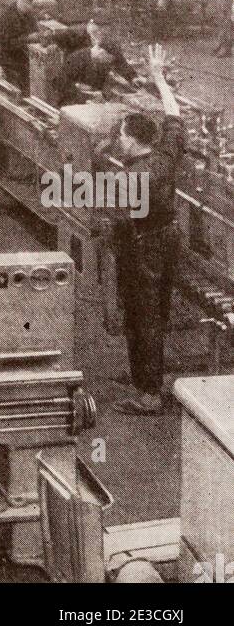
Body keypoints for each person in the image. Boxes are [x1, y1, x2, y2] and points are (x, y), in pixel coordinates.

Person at [95, 45, 186, 416]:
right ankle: (142, 377)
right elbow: (174, 117)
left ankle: (148, 393)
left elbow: (108, 213)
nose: (118, 137)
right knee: (152, 314)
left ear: (132, 139)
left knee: (141, 315)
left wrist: (99, 161)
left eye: (120, 134)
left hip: (142, 249)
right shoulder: (164, 157)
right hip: (166, 240)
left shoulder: (131, 177)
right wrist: (159, 77)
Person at [0, 0, 37, 90]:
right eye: (26, 3)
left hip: (25, 60)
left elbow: (35, 30)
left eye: (30, 3)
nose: (29, 7)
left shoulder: (28, 15)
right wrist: (28, 39)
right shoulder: (5, 16)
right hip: (8, 62)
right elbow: (6, 44)